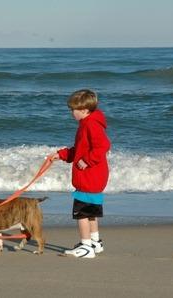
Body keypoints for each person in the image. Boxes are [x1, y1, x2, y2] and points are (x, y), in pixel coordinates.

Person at [49, 89, 111, 258]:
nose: (71, 113)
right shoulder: (88, 123)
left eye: (73, 110)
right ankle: (95, 242)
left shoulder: (90, 124)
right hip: (94, 177)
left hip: (89, 176)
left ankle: (85, 247)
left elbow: (103, 146)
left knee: (82, 214)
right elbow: (79, 150)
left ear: (84, 110)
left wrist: (87, 161)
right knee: (91, 212)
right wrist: (61, 155)